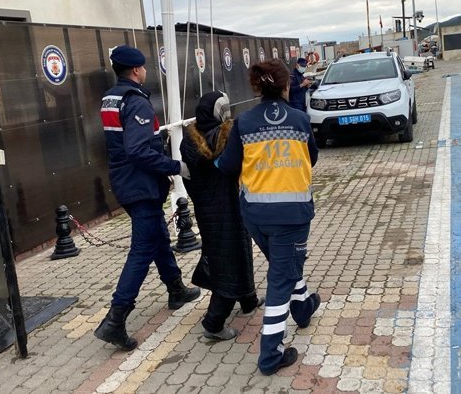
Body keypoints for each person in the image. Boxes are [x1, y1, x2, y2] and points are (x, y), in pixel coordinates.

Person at [216, 59, 321, 376]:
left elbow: (227, 165)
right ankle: (271, 355)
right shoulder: (300, 120)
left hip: (256, 216)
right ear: (287, 86)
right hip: (292, 215)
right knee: (280, 280)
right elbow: (312, 158)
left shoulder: (244, 122)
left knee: (283, 266)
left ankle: (303, 308)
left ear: (257, 87)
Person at [94, 45, 200, 351]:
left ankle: (176, 289)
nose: (145, 71)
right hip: (140, 185)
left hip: (125, 182)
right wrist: (175, 167)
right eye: (143, 67)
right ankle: (115, 320)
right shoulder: (136, 102)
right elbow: (138, 150)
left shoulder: (111, 98)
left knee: (157, 237)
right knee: (142, 250)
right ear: (136, 70)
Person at [180, 91, 264, 341]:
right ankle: (214, 322)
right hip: (229, 205)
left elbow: (190, 180)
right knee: (231, 261)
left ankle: (248, 299)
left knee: (229, 253)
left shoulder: (188, 140)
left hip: (207, 210)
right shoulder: (228, 137)